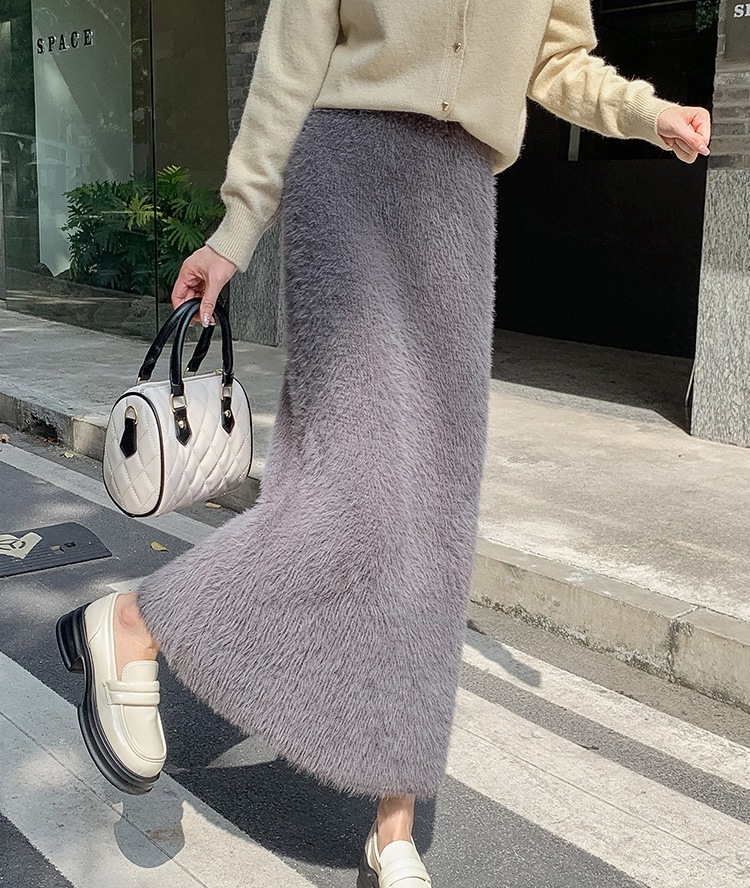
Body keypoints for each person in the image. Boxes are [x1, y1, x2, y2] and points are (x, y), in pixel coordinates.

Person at [56, 1, 710, 885]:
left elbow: (557, 61)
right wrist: (238, 227)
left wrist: (645, 113)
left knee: (437, 514)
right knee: (354, 493)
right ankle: (136, 622)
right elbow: (292, 56)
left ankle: (391, 826)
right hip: (350, 177)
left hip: (458, 197)